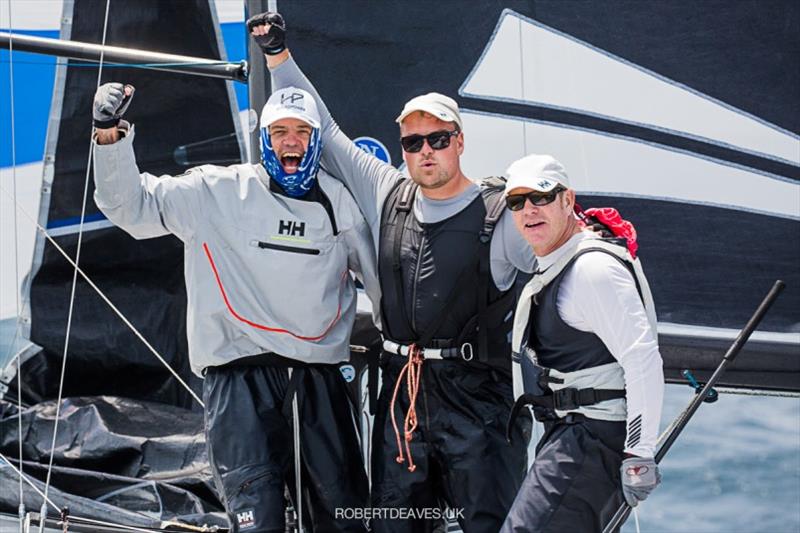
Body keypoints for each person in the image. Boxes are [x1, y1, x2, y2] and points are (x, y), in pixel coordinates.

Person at [247, 13, 624, 532]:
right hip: (402, 397)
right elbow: (327, 131)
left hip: (480, 408)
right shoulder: (385, 191)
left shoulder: (502, 214)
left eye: (438, 139)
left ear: (460, 142)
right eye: (413, 142)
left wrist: (604, 246)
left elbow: (568, 256)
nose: (426, 151)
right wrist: (277, 56)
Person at [91, 82, 380, 532]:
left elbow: (381, 286)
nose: (291, 141)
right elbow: (130, 207)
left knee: (345, 518)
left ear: (316, 141)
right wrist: (109, 135)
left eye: (302, 131)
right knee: (256, 520)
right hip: (239, 383)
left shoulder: (339, 202)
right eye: (280, 130)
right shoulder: (215, 190)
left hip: (317, 382)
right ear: (263, 138)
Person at [499, 154, 664, 532]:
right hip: (570, 436)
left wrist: (639, 455)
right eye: (516, 202)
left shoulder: (592, 270)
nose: (529, 210)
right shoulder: (563, 259)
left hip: (592, 441)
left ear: (567, 199)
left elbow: (643, 361)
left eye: (540, 197)